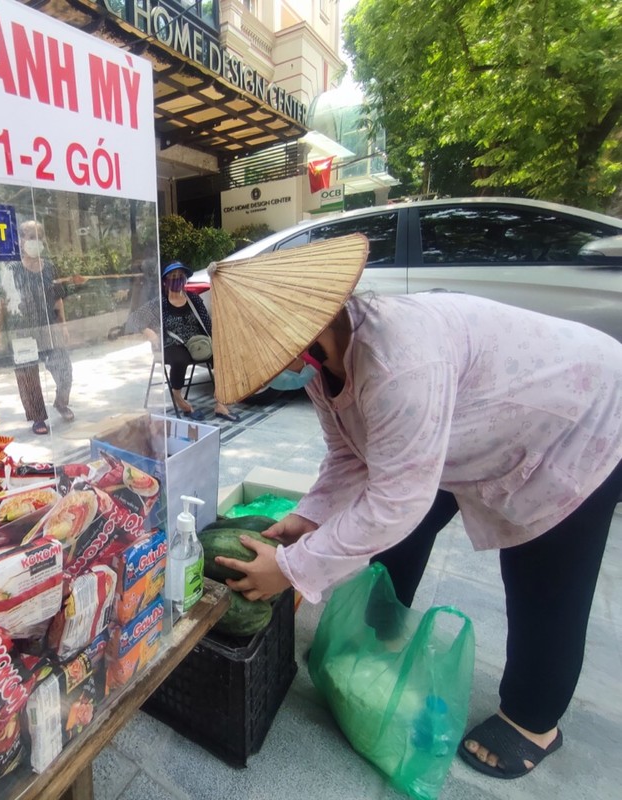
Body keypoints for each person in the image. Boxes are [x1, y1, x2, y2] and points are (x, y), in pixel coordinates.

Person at [210, 244, 622, 781]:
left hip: (575, 413)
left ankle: (533, 720)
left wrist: (292, 570)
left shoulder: (399, 360)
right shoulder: (320, 363)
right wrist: (309, 516)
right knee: (401, 532)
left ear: (299, 335)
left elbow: (397, 500)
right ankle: (379, 636)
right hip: (461, 427)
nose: (268, 378)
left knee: (542, 570)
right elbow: (347, 457)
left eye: (267, 362)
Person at [0, 220, 74, 436]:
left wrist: (63, 325)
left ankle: (61, 402)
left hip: (49, 326)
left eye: (39, 237)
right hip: (23, 330)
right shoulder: (12, 269)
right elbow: (3, 301)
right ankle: (38, 417)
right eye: (30, 236)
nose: (35, 242)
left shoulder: (50, 267)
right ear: (20, 241)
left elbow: (58, 299)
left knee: (64, 368)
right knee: (28, 376)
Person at [129, 261, 237, 421]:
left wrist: (219, 342)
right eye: (173, 277)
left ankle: (220, 403)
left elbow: (207, 323)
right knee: (180, 360)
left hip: (196, 343)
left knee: (221, 356)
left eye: (180, 277)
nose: (177, 280)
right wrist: (150, 333)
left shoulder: (193, 299)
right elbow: (134, 319)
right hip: (170, 344)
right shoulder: (160, 304)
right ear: (165, 281)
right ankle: (179, 399)